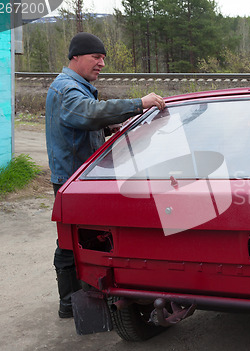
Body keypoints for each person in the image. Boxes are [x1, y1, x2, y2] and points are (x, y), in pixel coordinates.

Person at [45, 32, 165, 318]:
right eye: (95, 57)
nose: (101, 63)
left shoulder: (76, 86)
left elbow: (80, 125)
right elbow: (88, 113)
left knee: (80, 239)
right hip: (72, 180)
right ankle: (73, 305)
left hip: (76, 178)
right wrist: (139, 103)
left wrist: (110, 128)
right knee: (74, 242)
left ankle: (80, 302)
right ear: (75, 56)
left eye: (103, 58)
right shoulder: (67, 89)